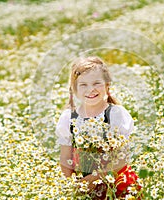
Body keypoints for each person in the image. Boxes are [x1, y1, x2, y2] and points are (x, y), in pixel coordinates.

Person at [55, 56, 138, 199]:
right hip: (83, 185)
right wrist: (73, 187)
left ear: (107, 85)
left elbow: (123, 156)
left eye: (96, 83)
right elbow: (65, 159)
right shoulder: (68, 118)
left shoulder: (116, 114)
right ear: (74, 89)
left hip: (115, 182)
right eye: (83, 85)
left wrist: (98, 176)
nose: (91, 89)